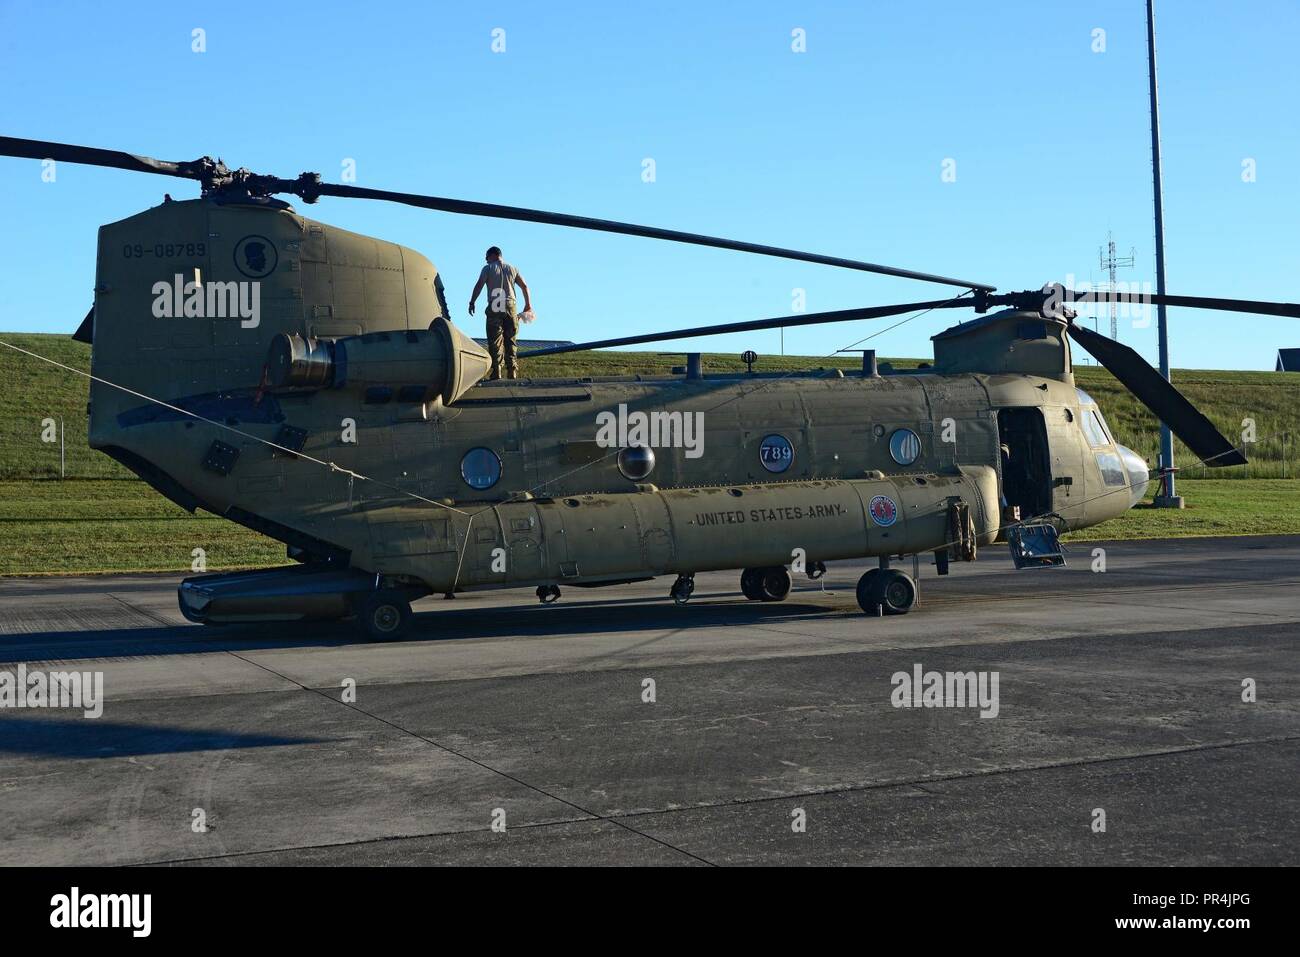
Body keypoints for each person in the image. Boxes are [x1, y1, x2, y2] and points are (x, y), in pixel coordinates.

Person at [468, 246, 532, 380]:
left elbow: (479, 284)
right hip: (511, 305)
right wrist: (528, 304)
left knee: (495, 339)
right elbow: (525, 286)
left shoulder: (488, 268)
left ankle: (497, 370)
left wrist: (472, 302)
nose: (486, 260)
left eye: (487, 257)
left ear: (493, 255)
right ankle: (512, 370)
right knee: (511, 339)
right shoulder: (513, 268)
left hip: (496, 304)